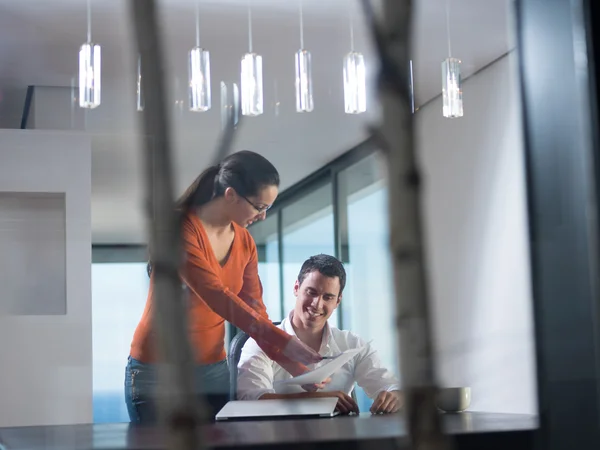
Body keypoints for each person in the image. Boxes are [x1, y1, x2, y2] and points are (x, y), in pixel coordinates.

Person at [125, 150, 323, 424]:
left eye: (268, 208)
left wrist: (296, 369)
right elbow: (215, 295)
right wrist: (287, 342)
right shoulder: (179, 229)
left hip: (212, 371)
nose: (263, 216)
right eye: (259, 207)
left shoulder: (245, 242)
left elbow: (256, 315)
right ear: (230, 195)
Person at [237, 254, 403, 415]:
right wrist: (317, 400)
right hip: (278, 438)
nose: (317, 304)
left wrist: (395, 396)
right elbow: (251, 400)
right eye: (312, 292)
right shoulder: (260, 343)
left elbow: (389, 387)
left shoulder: (353, 344)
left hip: (338, 439)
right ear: (296, 288)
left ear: (338, 301)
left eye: (328, 297)